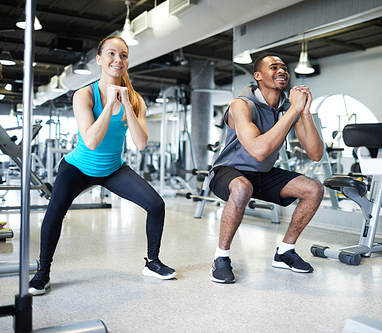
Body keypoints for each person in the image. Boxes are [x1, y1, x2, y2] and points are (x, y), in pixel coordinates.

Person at [28, 36, 176, 296]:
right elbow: (92, 141)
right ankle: (43, 272)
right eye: (111, 54)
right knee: (56, 208)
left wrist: (127, 104)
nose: (117, 60)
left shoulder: (137, 100)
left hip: (113, 169)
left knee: (156, 205)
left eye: (123, 55)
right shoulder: (84, 94)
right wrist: (109, 102)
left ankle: (152, 263)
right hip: (78, 168)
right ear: (99, 59)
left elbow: (141, 143)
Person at [208, 54, 325, 284]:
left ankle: (285, 251)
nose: (281, 70)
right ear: (258, 76)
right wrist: (293, 111)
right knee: (242, 187)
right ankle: (221, 258)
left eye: (283, 67)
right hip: (229, 171)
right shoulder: (241, 105)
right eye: (274, 67)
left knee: (314, 189)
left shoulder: (287, 107)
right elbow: (258, 151)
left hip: (263, 174)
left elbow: (316, 154)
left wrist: (305, 112)